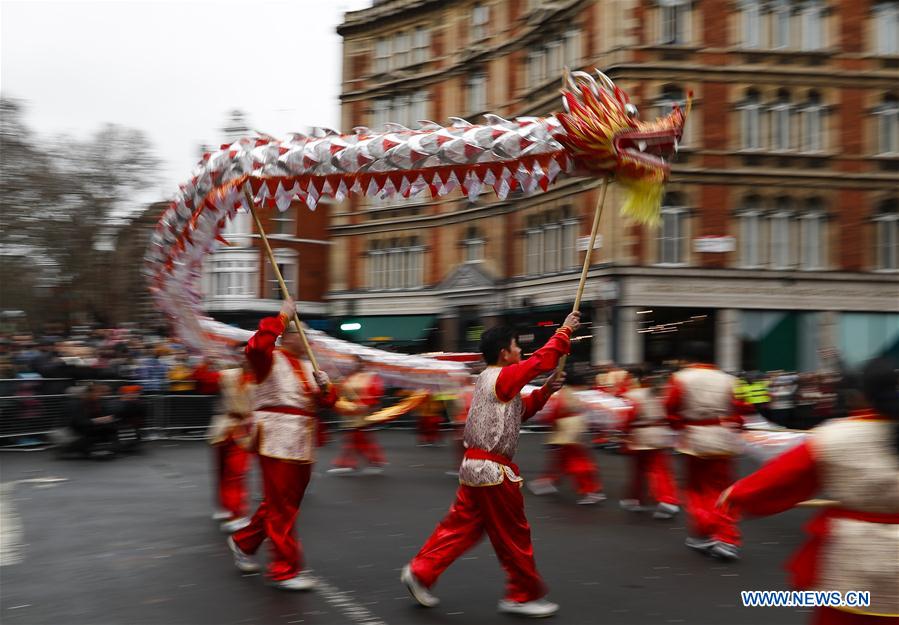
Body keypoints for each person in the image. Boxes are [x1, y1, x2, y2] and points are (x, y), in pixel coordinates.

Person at [401, 311, 580, 618]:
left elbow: (520, 411)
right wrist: (563, 332)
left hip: (476, 469)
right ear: (504, 353)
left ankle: (421, 571)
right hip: (493, 472)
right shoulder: (502, 376)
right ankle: (522, 594)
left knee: (461, 528)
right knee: (514, 535)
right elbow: (539, 361)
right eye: (516, 346)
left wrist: (548, 389)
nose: (520, 351)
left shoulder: (492, 380)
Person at [717, 358, 899, 624]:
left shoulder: (837, 435)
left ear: (863, 393)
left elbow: (784, 477)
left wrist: (738, 494)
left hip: (852, 555)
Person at [228, 299, 335, 591]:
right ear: (286, 335)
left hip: (302, 442)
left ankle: (244, 541)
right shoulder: (269, 358)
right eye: (301, 335)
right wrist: (282, 316)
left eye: (308, 337)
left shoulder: (308, 366)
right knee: (281, 507)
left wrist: (326, 389)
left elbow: (326, 403)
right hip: (276, 438)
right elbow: (256, 347)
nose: (306, 341)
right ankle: (284, 569)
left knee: (283, 504)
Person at [665, 343, 749, 560]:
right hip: (722, 437)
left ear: (687, 358)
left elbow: (671, 408)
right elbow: (740, 409)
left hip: (694, 437)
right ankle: (728, 537)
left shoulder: (681, 377)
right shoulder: (729, 379)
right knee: (723, 489)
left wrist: (679, 426)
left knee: (696, 488)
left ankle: (705, 531)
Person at [196, 356, 254, 533]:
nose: (247, 359)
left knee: (236, 473)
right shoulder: (228, 375)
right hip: (223, 428)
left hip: (245, 430)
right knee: (221, 471)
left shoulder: (264, 378)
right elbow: (202, 380)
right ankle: (225, 507)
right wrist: (206, 361)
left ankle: (236, 513)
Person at [529, 374, 605, 505]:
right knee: (562, 458)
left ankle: (590, 490)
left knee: (575, 461)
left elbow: (553, 412)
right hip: (576, 427)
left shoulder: (563, 394)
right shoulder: (583, 395)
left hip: (565, 429)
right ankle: (547, 481)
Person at [620, 371, 680, 519]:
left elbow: (627, 417)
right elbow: (673, 415)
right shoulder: (666, 394)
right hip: (660, 434)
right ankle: (661, 498)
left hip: (640, 435)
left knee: (640, 470)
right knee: (659, 469)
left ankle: (643, 499)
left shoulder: (633, 395)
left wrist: (624, 434)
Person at [329, 356, 387, 474]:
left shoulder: (371, 376)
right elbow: (341, 392)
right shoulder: (348, 377)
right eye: (353, 362)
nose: (354, 364)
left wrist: (367, 404)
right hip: (351, 412)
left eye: (357, 362)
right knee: (354, 438)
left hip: (362, 413)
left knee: (358, 438)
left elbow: (376, 393)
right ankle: (365, 462)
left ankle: (368, 462)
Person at [69, 383, 118, 457]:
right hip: (82, 429)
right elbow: (79, 422)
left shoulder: (97, 403)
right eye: (97, 392)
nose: (100, 394)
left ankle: (114, 448)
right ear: (89, 393)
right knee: (108, 427)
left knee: (112, 426)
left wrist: (107, 419)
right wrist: (98, 420)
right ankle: (86, 448)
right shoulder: (80, 404)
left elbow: (104, 414)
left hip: (92, 427)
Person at [113, 385, 147, 452]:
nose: (138, 394)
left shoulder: (134, 402)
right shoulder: (135, 402)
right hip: (129, 423)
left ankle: (129, 445)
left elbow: (141, 413)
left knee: (130, 430)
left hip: (129, 423)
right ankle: (129, 444)